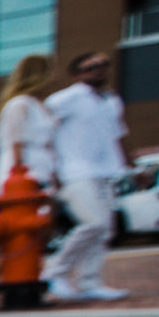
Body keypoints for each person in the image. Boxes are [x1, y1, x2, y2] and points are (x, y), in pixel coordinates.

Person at [46, 51, 131, 302]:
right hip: (73, 172)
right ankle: (54, 273)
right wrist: (52, 171)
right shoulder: (64, 99)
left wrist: (132, 168)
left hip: (105, 172)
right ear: (77, 75)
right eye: (90, 67)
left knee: (105, 231)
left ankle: (89, 282)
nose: (98, 70)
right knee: (93, 223)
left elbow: (118, 137)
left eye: (103, 65)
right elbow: (43, 133)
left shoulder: (112, 100)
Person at [0, 56, 57, 195]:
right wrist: (20, 172)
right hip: (24, 166)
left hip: (43, 165)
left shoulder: (41, 105)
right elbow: (15, 141)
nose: (54, 76)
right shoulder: (19, 103)